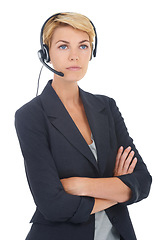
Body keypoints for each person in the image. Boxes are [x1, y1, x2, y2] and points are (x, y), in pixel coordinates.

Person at [15, 12, 152, 240]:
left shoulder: (106, 106)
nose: (74, 56)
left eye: (83, 46)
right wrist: (117, 188)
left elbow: (143, 181)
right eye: (62, 47)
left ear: (92, 52)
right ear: (46, 53)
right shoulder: (30, 116)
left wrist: (79, 185)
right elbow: (52, 204)